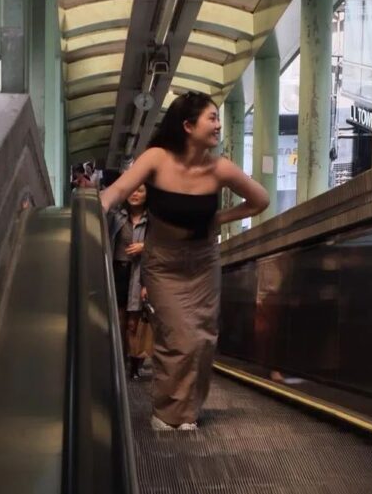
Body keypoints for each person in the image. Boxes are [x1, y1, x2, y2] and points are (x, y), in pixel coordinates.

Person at [101, 90, 269, 431]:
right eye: (212, 118)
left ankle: (188, 412)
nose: (218, 125)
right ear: (188, 125)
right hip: (163, 263)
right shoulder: (156, 159)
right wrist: (97, 208)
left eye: (219, 118)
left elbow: (259, 200)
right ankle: (167, 413)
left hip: (203, 262)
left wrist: (219, 218)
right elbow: (117, 192)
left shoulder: (220, 168)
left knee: (203, 340)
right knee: (177, 337)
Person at [107, 185, 152, 379]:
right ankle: (120, 364)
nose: (134, 194)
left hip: (139, 274)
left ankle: (134, 365)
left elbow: (164, 245)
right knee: (119, 320)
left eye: (140, 191)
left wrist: (145, 247)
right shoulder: (117, 216)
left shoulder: (152, 220)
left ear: (148, 194)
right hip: (117, 271)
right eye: (131, 190)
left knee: (134, 323)